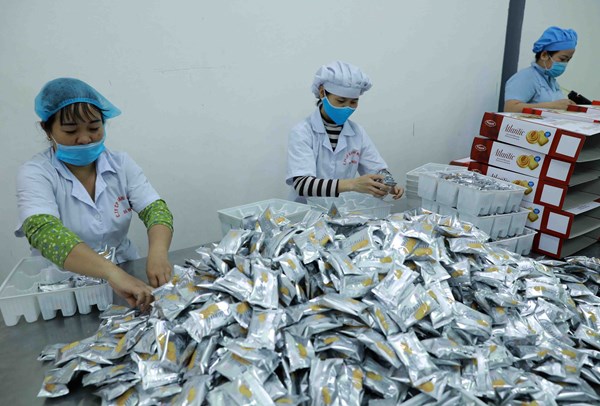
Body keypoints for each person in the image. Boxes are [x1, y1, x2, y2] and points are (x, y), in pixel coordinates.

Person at [15, 78, 174, 309]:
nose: (84, 138)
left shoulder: (121, 164)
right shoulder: (36, 173)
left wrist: (158, 254)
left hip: (125, 272)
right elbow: (43, 231)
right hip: (64, 288)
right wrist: (112, 273)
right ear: (47, 130)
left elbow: (156, 210)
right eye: (71, 130)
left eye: (94, 128)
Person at [286, 61, 404, 203]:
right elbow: (302, 185)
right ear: (322, 93)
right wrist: (353, 184)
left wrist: (387, 183)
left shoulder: (357, 132)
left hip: (341, 211)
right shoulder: (302, 132)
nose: (347, 107)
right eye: (341, 101)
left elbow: (376, 169)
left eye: (353, 102)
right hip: (307, 212)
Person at [504, 26, 578, 113]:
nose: (564, 64)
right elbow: (510, 108)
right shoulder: (526, 77)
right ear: (544, 55)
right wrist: (552, 106)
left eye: (568, 60)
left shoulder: (550, 81)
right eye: (562, 59)